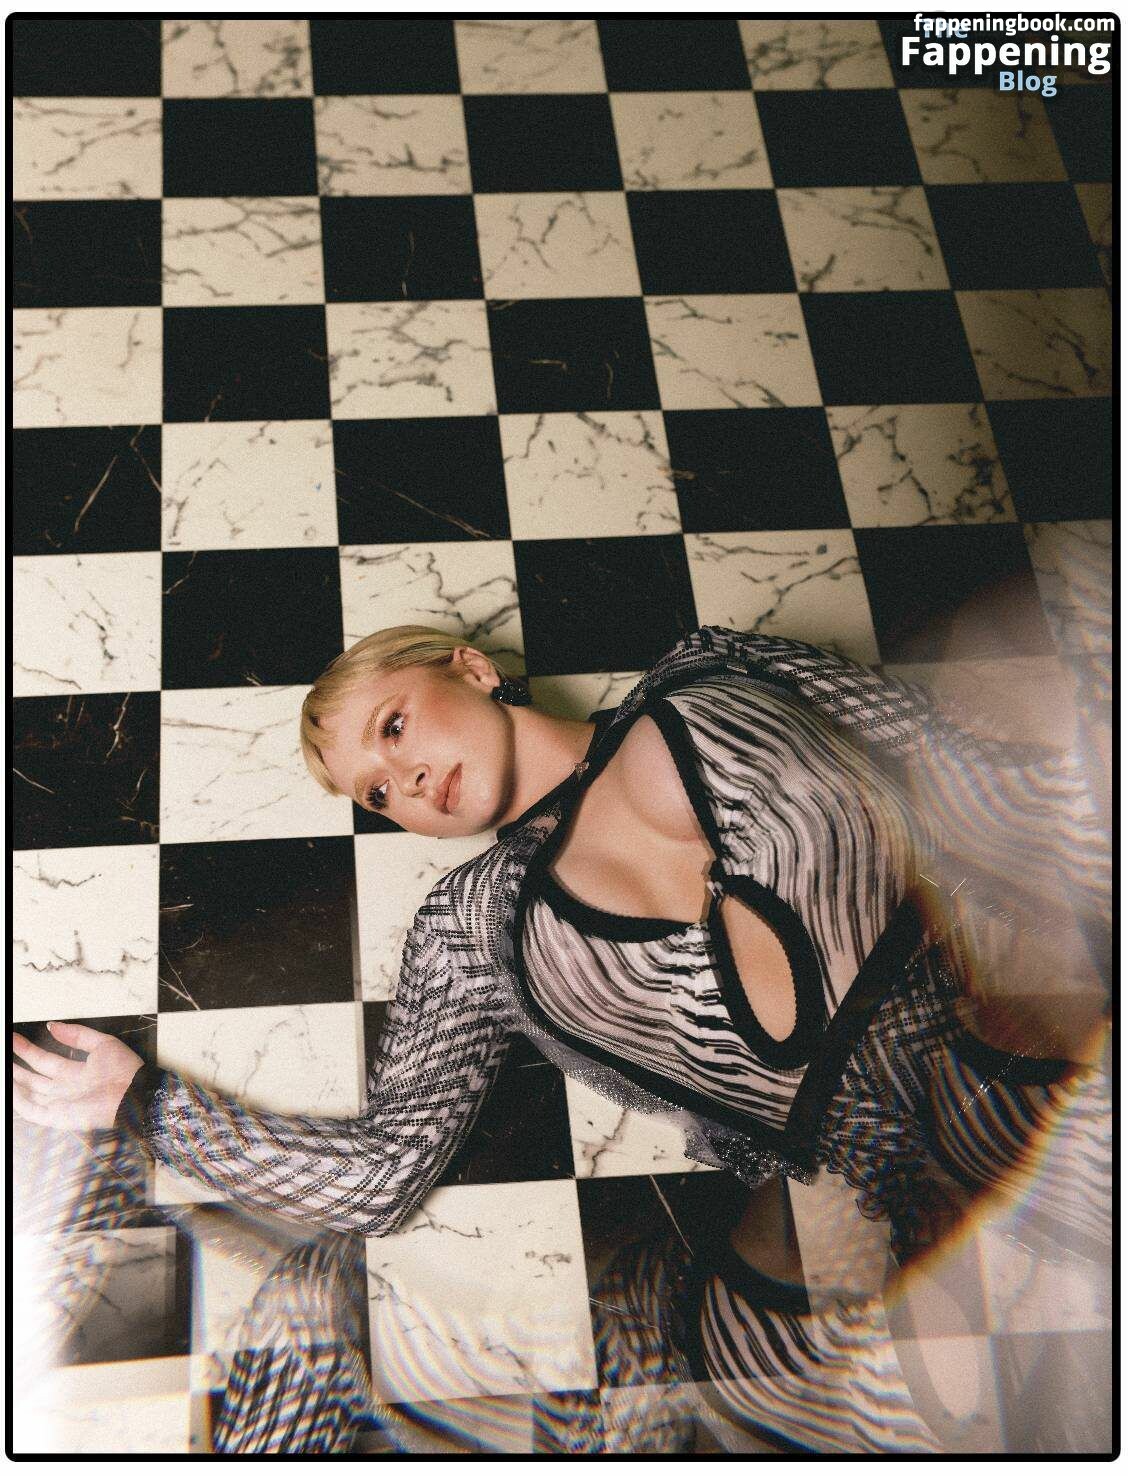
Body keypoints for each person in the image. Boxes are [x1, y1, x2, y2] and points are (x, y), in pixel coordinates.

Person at [12, 623, 1111, 1453]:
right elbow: (384, 1175)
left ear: (470, 668)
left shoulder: (724, 670)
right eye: (379, 795)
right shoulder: (473, 931)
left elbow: (985, 784)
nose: (408, 783)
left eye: (395, 727)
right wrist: (145, 1103)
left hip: (1041, 1078)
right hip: (841, 1267)